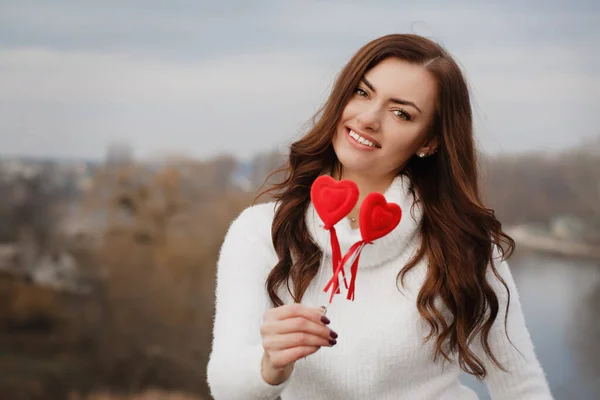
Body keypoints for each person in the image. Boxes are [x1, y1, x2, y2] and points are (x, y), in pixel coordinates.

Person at [206, 34, 553, 399]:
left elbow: (522, 386)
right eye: (362, 93)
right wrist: (270, 364)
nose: (369, 118)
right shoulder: (260, 232)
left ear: (428, 142)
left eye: (401, 113)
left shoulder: (464, 242)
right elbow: (226, 385)